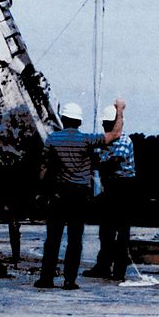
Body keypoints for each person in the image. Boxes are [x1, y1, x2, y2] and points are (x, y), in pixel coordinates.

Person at [36, 98, 125, 290]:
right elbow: (116, 133)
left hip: (58, 194)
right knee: (75, 239)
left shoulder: (52, 139)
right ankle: (69, 280)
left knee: (53, 239)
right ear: (79, 121)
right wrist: (119, 109)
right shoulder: (87, 139)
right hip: (78, 195)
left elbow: (44, 168)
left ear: (64, 118)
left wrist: (43, 191)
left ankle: (46, 279)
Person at [85, 104, 138, 281]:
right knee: (105, 230)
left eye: (108, 124)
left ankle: (119, 270)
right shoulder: (104, 140)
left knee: (121, 231)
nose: (105, 127)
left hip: (123, 187)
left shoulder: (124, 140)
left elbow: (113, 162)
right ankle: (103, 266)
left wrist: (95, 163)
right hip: (111, 187)